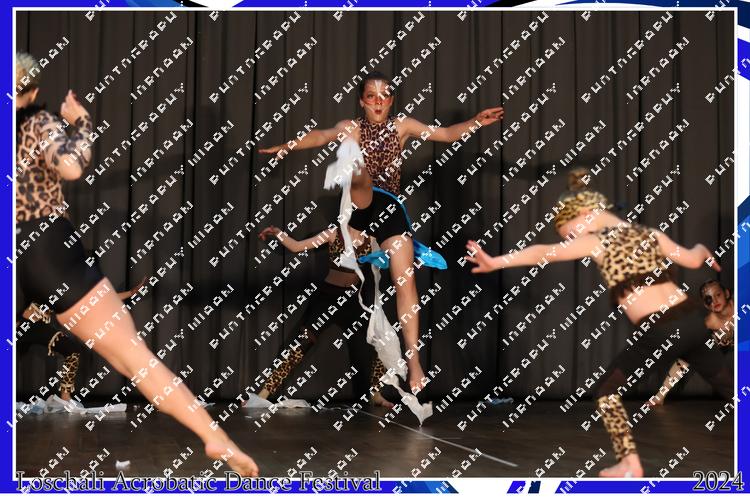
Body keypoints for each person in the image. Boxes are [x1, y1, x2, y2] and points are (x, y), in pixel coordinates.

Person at [14, 52, 258, 476]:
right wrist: (81, 123)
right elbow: (70, 165)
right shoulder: (36, 121)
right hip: (46, 253)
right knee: (134, 358)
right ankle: (214, 435)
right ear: (33, 92)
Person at [464, 167, 733, 478]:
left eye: (570, 233)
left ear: (586, 214)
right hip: (693, 321)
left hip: (660, 329)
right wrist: (704, 251)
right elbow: (694, 258)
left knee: (606, 392)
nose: (571, 240)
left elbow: (544, 253)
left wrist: (496, 261)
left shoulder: (599, 241)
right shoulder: (650, 234)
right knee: (729, 386)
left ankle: (630, 463)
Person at [260, 71, 504, 392]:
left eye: (384, 95)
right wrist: (288, 146)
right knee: (360, 178)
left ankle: (414, 363)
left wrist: (475, 122)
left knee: (406, 283)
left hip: (389, 209)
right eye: (371, 96)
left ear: (391, 101)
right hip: (361, 204)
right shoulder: (351, 127)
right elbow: (319, 136)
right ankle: (353, 167)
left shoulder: (402, 126)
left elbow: (445, 134)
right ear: (362, 101)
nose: (378, 101)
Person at [255, 224, 393, 408]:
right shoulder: (333, 233)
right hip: (328, 299)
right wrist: (278, 233)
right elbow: (296, 246)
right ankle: (263, 395)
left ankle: (375, 394)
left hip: (353, 300)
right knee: (300, 344)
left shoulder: (372, 240)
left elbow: (391, 256)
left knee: (380, 340)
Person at [17, 279, 146, 402]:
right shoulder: (34, 274)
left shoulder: (65, 286)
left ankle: (65, 399)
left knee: (72, 351)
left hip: (38, 327)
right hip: (19, 325)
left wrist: (130, 293)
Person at [648, 280, 735, 406]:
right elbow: (682, 363)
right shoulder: (708, 324)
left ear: (726, 293)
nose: (714, 301)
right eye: (709, 299)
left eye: (718, 295)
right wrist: (660, 396)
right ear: (705, 304)